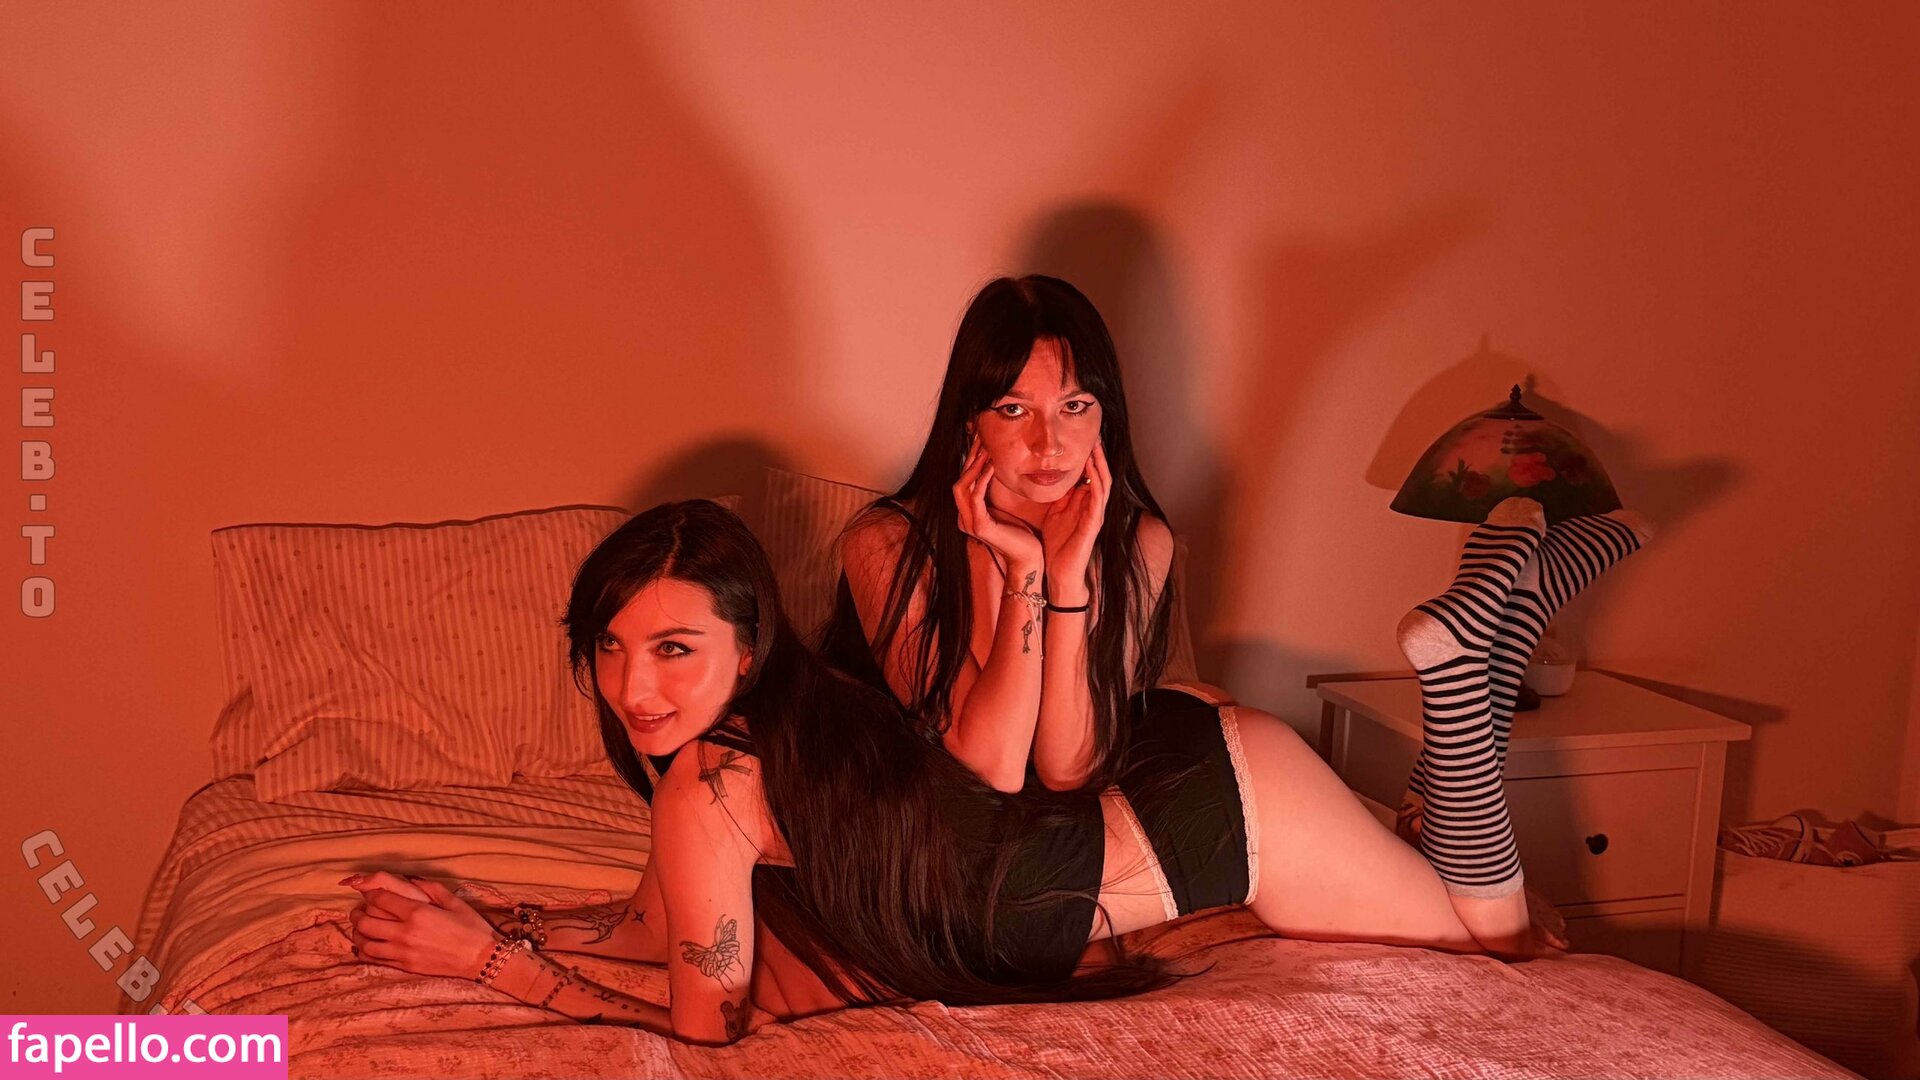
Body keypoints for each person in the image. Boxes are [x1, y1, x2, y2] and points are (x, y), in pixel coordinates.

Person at [343, 499, 1579, 1046]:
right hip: (1168, 774)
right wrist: (512, 923)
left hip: (1208, 811)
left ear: (747, 647)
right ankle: (1497, 637)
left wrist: (496, 970)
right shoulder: (765, 741)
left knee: (1503, 937)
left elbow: (703, 1033)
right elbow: (665, 925)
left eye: (674, 649)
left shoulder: (710, 783)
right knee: (1440, 880)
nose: (635, 688)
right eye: (610, 649)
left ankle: (1462, 688)